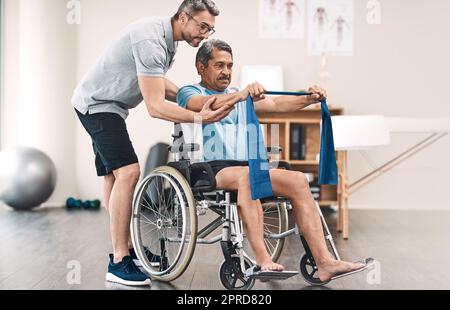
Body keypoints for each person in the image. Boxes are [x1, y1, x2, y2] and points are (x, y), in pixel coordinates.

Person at [177, 39, 367, 282]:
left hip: (245, 166)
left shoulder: (236, 93)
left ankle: (324, 262)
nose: (226, 71)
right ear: (201, 67)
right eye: (219, 65)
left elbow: (276, 103)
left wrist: (308, 99)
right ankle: (263, 260)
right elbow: (203, 105)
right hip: (208, 168)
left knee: (298, 180)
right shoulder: (190, 92)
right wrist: (242, 94)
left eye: (230, 66)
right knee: (247, 177)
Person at [72, 0, 230, 286]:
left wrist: (192, 98)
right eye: (203, 26)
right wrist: (200, 118)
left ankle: (128, 248)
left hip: (112, 107)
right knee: (129, 172)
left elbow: (159, 83)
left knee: (113, 179)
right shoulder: (151, 38)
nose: (206, 34)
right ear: (184, 17)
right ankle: (119, 260)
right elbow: (155, 105)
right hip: (96, 105)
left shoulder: (168, 40)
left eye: (211, 29)